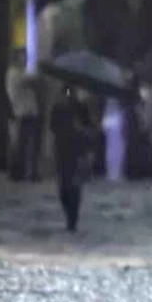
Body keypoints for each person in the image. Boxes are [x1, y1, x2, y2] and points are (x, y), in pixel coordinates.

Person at [49, 86, 94, 232]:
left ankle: (72, 219)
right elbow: (52, 126)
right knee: (64, 186)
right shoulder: (57, 108)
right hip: (62, 149)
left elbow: (89, 127)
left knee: (74, 184)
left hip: (77, 149)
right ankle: (70, 214)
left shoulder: (80, 107)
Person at [6, 52, 42, 181]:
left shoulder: (19, 73)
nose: (25, 61)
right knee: (23, 145)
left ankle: (25, 173)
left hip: (28, 112)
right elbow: (33, 80)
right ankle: (19, 173)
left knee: (25, 145)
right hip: (23, 113)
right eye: (23, 58)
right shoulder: (14, 74)